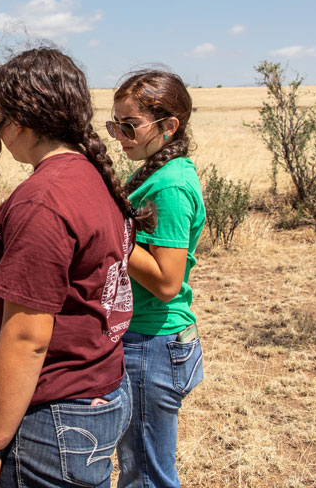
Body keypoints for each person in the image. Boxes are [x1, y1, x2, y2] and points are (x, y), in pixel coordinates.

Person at [0, 47, 143, 488]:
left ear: (22, 121)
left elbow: (26, 339)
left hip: (53, 418)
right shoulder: (87, 175)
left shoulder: (43, 200)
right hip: (97, 393)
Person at [109, 69, 205, 488]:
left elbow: (167, 282)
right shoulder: (154, 172)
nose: (120, 135)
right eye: (115, 125)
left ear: (169, 126)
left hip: (153, 344)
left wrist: (111, 235)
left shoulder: (169, 186)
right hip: (150, 342)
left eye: (130, 126)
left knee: (146, 476)